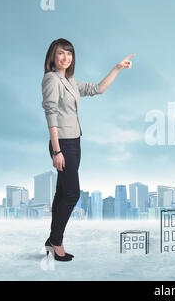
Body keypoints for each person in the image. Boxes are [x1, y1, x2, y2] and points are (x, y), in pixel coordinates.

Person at [41, 38, 134, 261]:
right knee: (72, 193)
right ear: (53, 56)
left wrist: (116, 69)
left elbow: (98, 89)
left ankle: (52, 240)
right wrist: (56, 151)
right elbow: (51, 113)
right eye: (61, 53)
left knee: (63, 193)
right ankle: (56, 241)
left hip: (75, 141)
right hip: (62, 143)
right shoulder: (51, 79)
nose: (66, 58)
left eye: (69, 54)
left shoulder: (70, 80)